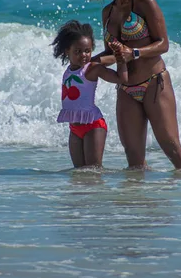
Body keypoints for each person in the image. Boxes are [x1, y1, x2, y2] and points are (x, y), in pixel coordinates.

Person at [83, 0, 181, 170]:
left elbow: (163, 44)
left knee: (171, 147)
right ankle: (138, 204)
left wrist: (133, 52)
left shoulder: (146, 3)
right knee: (133, 159)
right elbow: (112, 54)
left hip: (155, 83)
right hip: (126, 89)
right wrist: (90, 63)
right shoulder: (108, 12)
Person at [52, 20, 128, 168]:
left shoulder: (92, 69)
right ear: (67, 51)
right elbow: (102, 59)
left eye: (87, 51)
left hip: (93, 126)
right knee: (79, 174)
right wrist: (114, 57)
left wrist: (121, 59)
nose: (83, 55)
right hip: (74, 128)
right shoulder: (69, 70)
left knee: (93, 172)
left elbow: (122, 79)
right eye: (78, 51)